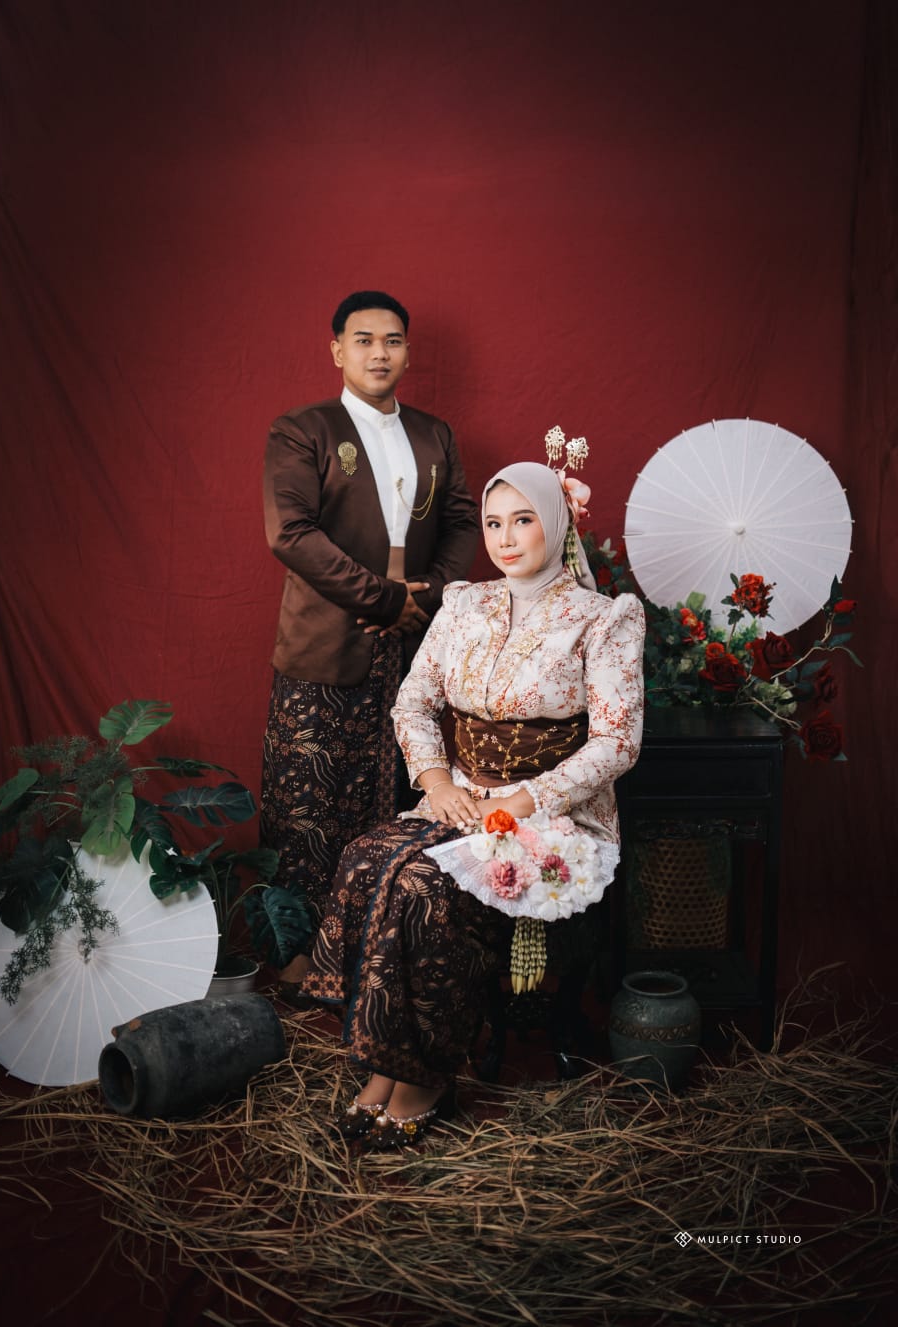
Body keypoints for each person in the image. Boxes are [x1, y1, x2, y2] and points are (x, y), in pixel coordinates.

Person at [301, 460, 646, 1148]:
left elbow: (618, 741)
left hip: (552, 814)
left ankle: (426, 1076)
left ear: (556, 523)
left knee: (423, 887)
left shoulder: (603, 618)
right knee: (368, 858)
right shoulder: (464, 604)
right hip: (459, 799)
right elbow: (414, 703)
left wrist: (524, 799)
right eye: (493, 523)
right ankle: (385, 1064)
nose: (505, 538)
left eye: (523, 520)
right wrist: (436, 782)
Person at [261, 291, 480, 989]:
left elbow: (462, 522)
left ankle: (377, 957)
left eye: (392, 341)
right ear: (337, 350)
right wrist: (385, 599)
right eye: (364, 340)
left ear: (408, 353)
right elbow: (290, 533)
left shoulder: (434, 434)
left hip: (415, 641)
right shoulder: (304, 430)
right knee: (308, 804)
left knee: (396, 795)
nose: (379, 353)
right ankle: (301, 962)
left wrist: (428, 596)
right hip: (326, 643)